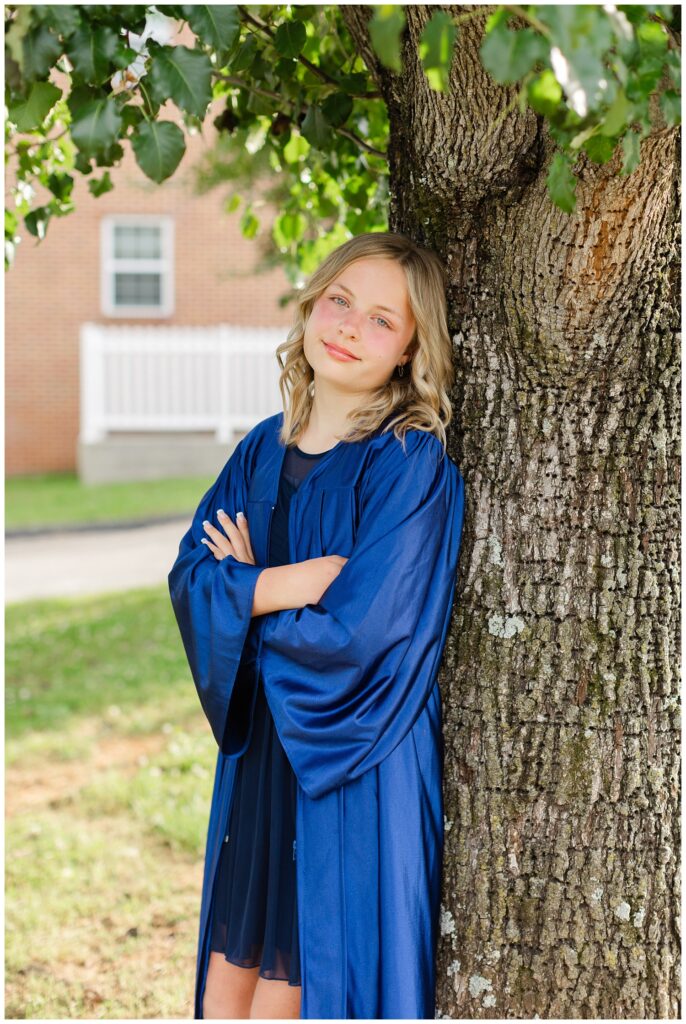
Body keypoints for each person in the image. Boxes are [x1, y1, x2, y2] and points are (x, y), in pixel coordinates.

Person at [168, 231, 466, 1019]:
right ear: (311, 304)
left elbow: (363, 632)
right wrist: (284, 583)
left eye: (380, 320)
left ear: (409, 349)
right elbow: (193, 576)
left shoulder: (407, 464)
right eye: (339, 301)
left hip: (348, 756)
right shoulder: (260, 453)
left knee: (296, 997)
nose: (347, 327)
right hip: (264, 760)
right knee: (224, 996)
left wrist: (245, 591)